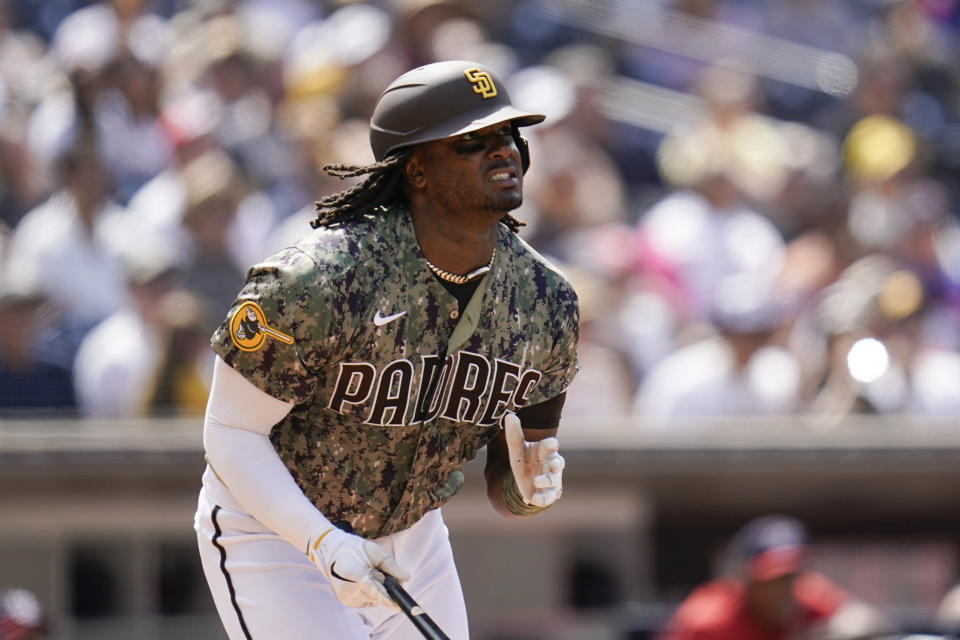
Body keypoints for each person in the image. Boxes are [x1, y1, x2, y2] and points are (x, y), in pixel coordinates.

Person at [193, 60, 580, 640]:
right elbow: (229, 430)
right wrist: (320, 541)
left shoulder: (548, 302)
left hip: (412, 535)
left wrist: (527, 489)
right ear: (417, 170)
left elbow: (512, 479)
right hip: (275, 532)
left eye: (508, 135)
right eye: (473, 141)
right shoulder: (319, 279)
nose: (502, 151)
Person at [658, 515, 886, 640]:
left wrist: (839, 630)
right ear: (745, 579)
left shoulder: (806, 595)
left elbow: (864, 618)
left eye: (788, 578)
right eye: (770, 581)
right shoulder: (708, 620)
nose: (781, 591)